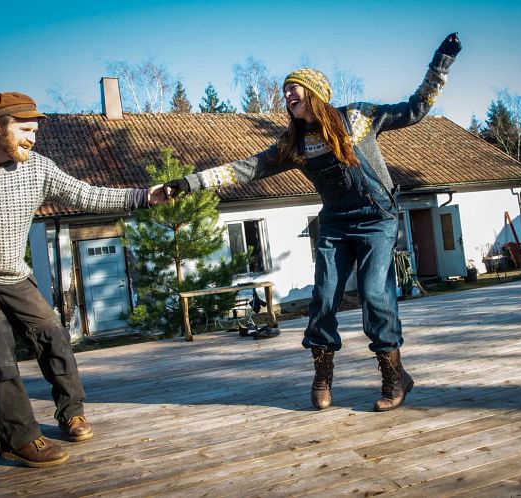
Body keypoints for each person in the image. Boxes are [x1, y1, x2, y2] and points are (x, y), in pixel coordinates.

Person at [162, 34, 462, 412]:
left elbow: (416, 109)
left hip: (377, 220)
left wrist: (441, 63)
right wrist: (188, 183)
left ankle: (393, 375)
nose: (287, 96)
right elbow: (245, 169)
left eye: (294, 89)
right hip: (336, 224)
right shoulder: (294, 143)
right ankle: (322, 376)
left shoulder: (359, 118)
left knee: (374, 295)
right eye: (285, 91)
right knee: (323, 300)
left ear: (315, 93)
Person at [0, 92, 165, 467]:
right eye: (25, 130)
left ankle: (71, 412)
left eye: (35, 132)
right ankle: (18, 437)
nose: (32, 138)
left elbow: (86, 194)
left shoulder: (37, 167)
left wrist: (144, 196)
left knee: (51, 332)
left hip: (9, 270)